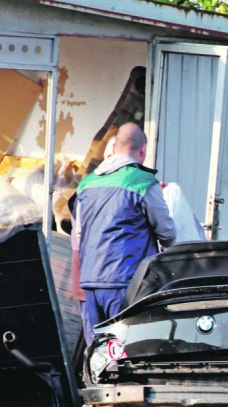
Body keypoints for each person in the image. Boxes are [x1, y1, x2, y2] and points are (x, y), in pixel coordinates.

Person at [74, 122, 175, 343]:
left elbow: (78, 236)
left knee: (97, 354)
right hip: (126, 282)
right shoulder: (144, 182)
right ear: (143, 150)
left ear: (113, 148)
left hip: (90, 282)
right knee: (127, 350)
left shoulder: (86, 185)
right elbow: (167, 233)